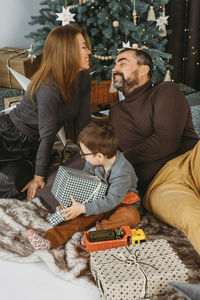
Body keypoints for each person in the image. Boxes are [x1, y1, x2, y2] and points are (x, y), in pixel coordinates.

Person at [109, 48, 200, 254]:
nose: (115, 68)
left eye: (122, 63)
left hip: (191, 161)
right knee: (192, 216)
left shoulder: (165, 91)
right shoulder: (115, 113)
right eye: (114, 64)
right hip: (159, 186)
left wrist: (122, 159)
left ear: (144, 70)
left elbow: (166, 141)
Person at [0, 24, 92, 200]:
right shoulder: (48, 88)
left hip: (30, 147)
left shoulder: (84, 78)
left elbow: (84, 122)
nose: (89, 52)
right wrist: (38, 178)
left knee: (13, 185)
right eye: (83, 47)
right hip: (7, 135)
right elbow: (48, 135)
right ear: (67, 52)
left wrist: (92, 154)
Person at [27, 122, 141, 250]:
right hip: (97, 199)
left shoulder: (122, 171)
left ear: (99, 156)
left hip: (122, 204)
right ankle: (49, 240)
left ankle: (97, 233)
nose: (82, 156)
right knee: (77, 217)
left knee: (131, 216)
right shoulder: (93, 163)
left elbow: (112, 200)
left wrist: (83, 208)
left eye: (84, 153)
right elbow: (85, 183)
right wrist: (72, 205)